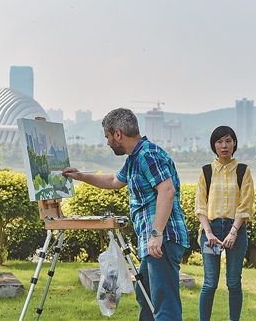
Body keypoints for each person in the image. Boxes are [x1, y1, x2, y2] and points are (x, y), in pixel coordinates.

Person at [62, 108, 190, 321]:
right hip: (155, 242)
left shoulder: (148, 154)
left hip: (162, 240)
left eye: (108, 137)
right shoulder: (135, 158)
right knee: (147, 299)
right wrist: (81, 176)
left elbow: (167, 190)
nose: (108, 143)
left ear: (118, 134)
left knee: (164, 304)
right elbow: (114, 181)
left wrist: (156, 234)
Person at [195, 126, 254, 321]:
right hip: (212, 233)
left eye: (228, 141)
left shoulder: (243, 171)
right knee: (210, 282)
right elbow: (200, 206)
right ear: (214, 145)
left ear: (234, 143)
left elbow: (245, 205)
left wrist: (234, 232)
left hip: (235, 231)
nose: (224, 145)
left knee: (233, 282)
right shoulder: (206, 172)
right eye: (219, 142)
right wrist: (209, 233)